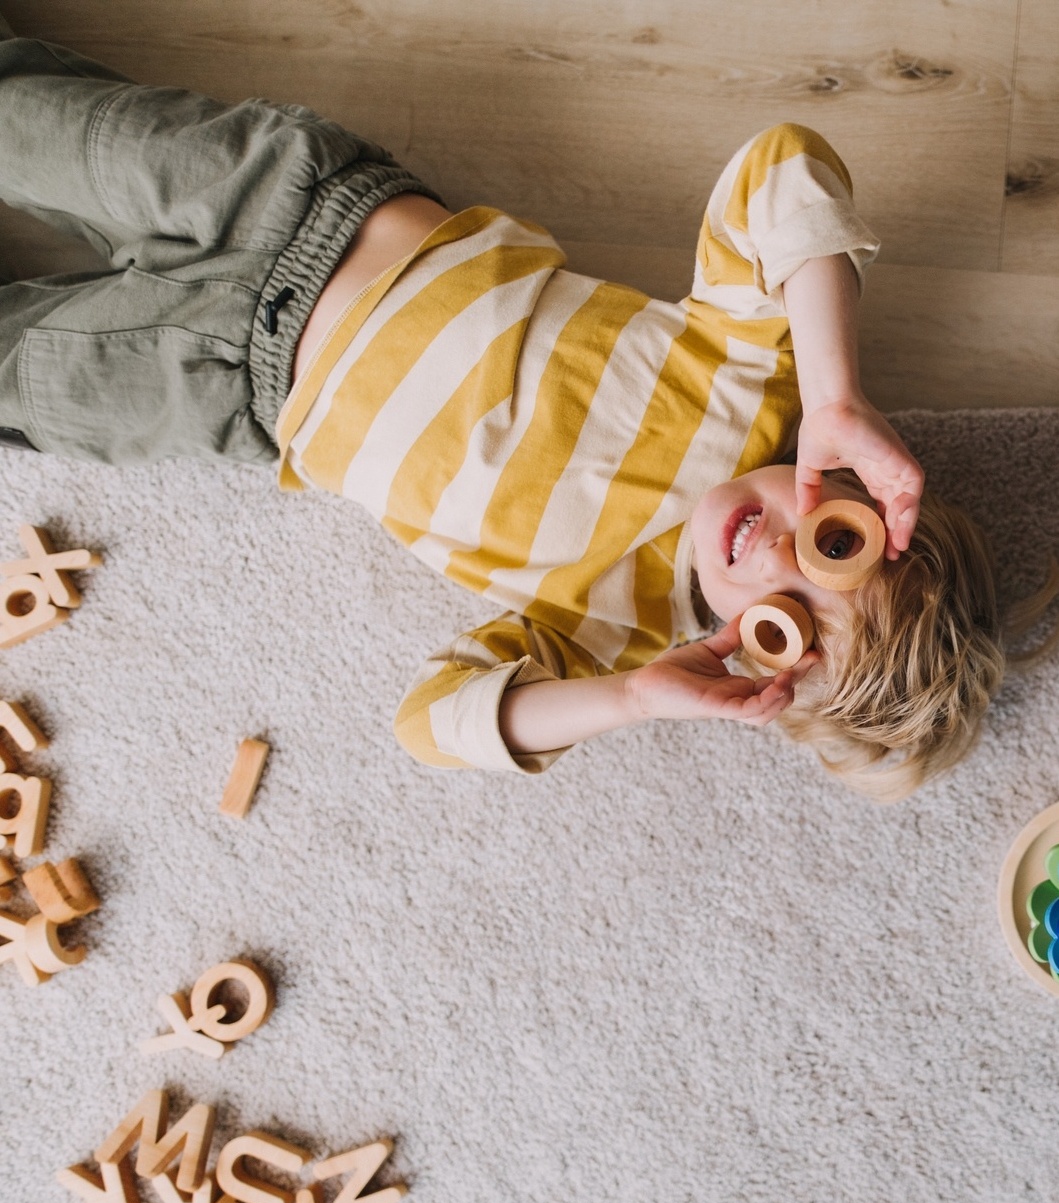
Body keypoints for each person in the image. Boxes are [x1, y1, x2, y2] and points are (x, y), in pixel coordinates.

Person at [0, 21, 1044, 799]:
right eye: (829, 544)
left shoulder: (607, 635)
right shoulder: (748, 380)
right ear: (857, 494)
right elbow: (783, 169)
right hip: (299, 202)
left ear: (749, 658)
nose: (769, 554)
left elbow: (432, 722)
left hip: (227, 385)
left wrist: (631, 700)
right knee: (22, 116)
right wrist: (835, 390)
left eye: (784, 619)